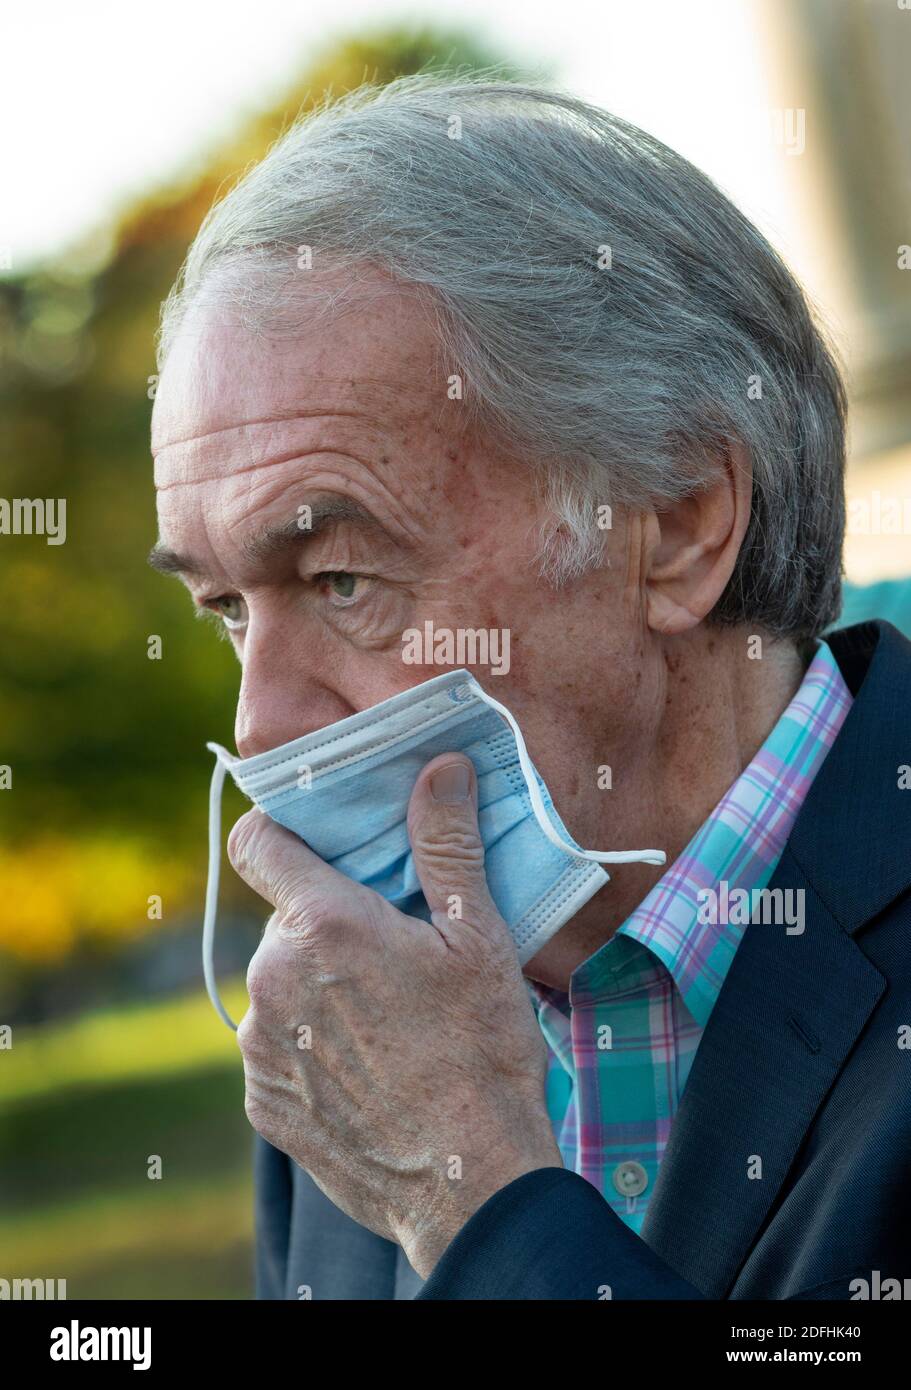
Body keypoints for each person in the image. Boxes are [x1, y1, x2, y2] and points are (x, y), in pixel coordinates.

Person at [149, 76, 911, 1299]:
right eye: (228, 609)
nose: (260, 724)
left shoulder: (407, 1104)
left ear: (674, 522)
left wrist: (471, 1196)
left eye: (340, 577)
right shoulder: (355, 1023)